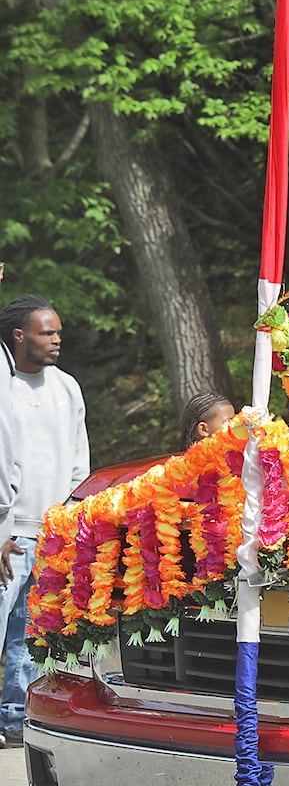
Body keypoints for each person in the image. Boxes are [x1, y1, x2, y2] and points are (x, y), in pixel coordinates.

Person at [0, 295, 89, 748]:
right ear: (19, 336)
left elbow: (79, 463)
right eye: (46, 332)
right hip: (7, 535)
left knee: (31, 637)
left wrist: (68, 524)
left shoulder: (67, 387)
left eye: (57, 331)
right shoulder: (3, 386)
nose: (57, 339)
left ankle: (15, 722)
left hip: (52, 534)